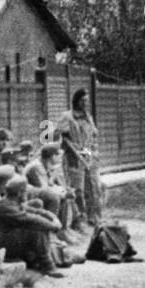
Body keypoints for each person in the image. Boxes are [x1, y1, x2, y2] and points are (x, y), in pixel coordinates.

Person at [0, 178, 63, 277]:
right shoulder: (5, 206)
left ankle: (39, 260)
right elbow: (31, 219)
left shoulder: (13, 203)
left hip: (9, 242)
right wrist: (54, 227)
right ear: (19, 193)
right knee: (35, 228)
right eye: (25, 191)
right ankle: (48, 266)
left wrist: (53, 217)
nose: (26, 194)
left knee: (37, 223)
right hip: (1, 246)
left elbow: (36, 211)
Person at [57, 89, 103, 229]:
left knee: (94, 187)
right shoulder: (67, 117)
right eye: (82, 100)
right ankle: (80, 218)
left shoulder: (88, 117)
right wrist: (66, 145)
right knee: (78, 189)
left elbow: (94, 135)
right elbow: (57, 135)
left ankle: (94, 218)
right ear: (76, 101)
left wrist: (93, 151)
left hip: (90, 156)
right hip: (75, 157)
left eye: (86, 101)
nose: (85, 103)